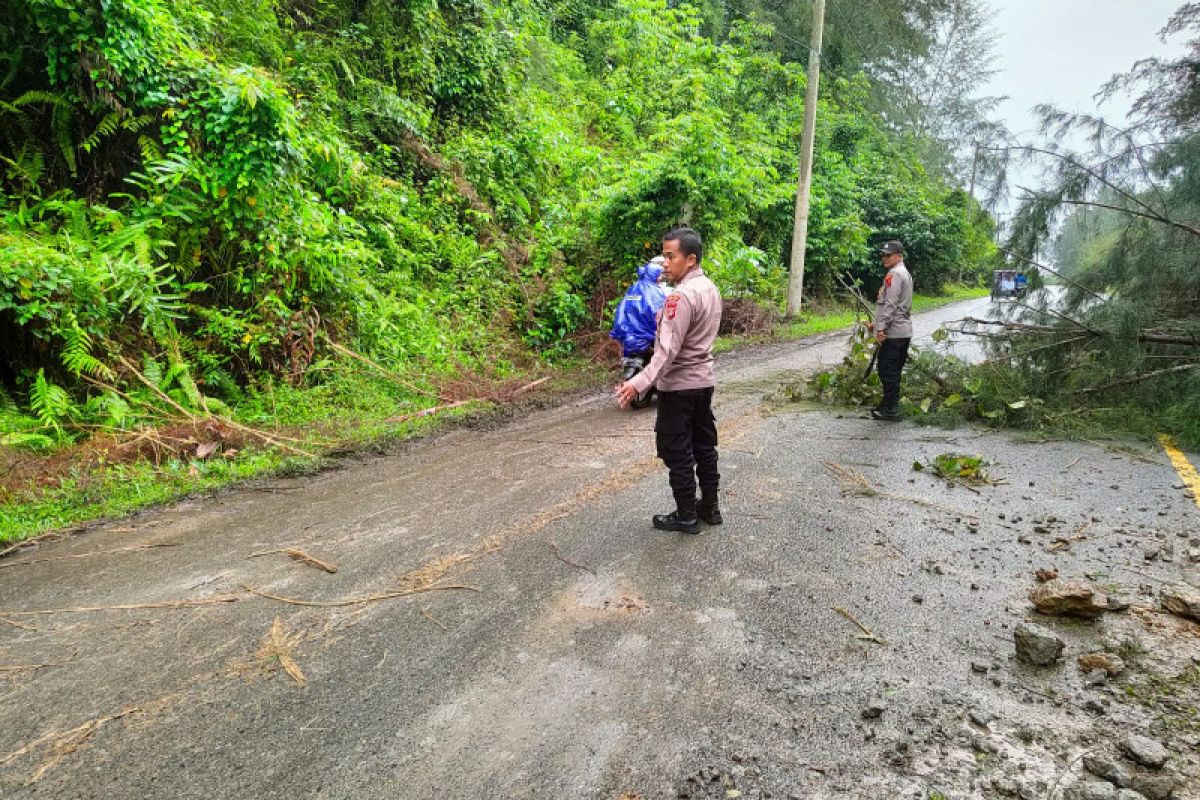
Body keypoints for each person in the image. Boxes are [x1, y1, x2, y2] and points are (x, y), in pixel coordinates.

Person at [615, 227, 723, 534]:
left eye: (669, 256)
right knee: (704, 446)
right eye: (664, 255)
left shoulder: (681, 296)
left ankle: (686, 514)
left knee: (677, 450)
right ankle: (710, 507)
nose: (664, 263)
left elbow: (666, 353)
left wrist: (638, 383)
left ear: (690, 259)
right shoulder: (709, 288)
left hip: (679, 387)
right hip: (703, 382)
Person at [867, 240, 913, 421]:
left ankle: (892, 409)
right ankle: (887, 404)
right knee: (892, 369)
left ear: (899, 256)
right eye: (883, 255)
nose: (884, 258)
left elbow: (891, 304)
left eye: (888, 255)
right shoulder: (904, 273)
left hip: (893, 333)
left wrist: (881, 329)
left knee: (887, 370)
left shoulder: (894, 274)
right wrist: (875, 323)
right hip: (903, 331)